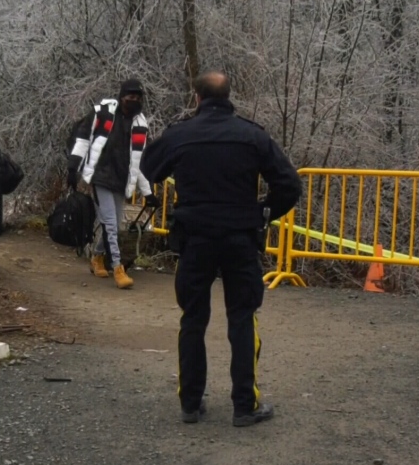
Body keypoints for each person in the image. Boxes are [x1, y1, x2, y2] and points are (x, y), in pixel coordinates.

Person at [140, 71, 301, 427]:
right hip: (240, 239)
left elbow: (148, 166)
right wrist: (264, 212)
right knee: (242, 318)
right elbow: (289, 184)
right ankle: (245, 406)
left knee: (193, 320)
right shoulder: (252, 135)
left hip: (195, 238)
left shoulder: (180, 135)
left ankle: (190, 404)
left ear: (196, 97)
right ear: (230, 97)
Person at [68, 79, 161, 289]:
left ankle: (98, 257)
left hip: (122, 180)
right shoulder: (102, 113)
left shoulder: (140, 123)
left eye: (138, 97)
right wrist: (73, 167)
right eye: (131, 96)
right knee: (110, 223)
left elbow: (138, 161)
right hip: (100, 176)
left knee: (115, 226)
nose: (134, 100)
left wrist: (147, 193)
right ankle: (118, 269)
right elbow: (83, 139)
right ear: (121, 96)